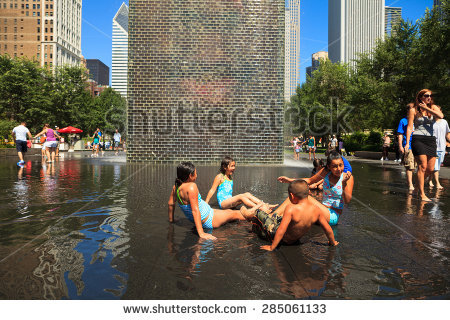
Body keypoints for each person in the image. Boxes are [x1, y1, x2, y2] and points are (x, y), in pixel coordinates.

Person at [241, 180, 338, 251]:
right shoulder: (316, 210)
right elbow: (327, 229)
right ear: (308, 193)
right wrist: (332, 242)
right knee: (277, 217)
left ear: (291, 196)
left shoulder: (291, 209)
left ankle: (253, 225)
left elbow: (281, 230)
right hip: (294, 240)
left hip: (279, 238)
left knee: (259, 212)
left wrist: (272, 247)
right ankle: (264, 218)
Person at [168, 162, 246, 240]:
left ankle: (252, 213)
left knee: (229, 211)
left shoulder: (176, 187)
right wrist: (201, 233)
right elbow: (195, 210)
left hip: (208, 213)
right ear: (190, 176)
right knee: (236, 214)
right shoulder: (191, 187)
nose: (197, 175)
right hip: (209, 219)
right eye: (195, 173)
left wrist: (171, 220)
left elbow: (171, 203)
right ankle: (255, 216)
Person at [277, 151, 354, 227]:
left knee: (306, 198)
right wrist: (289, 180)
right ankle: (273, 216)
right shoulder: (326, 172)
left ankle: (272, 218)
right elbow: (309, 181)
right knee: (294, 197)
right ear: (328, 167)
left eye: (341, 165)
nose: (338, 169)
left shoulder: (347, 178)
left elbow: (347, 201)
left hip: (332, 216)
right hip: (321, 210)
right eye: (334, 166)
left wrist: (344, 183)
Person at [405, 89, 444, 202]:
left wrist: (426, 108)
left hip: (431, 140)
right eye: (426, 95)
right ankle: (422, 194)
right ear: (420, 97)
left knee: (430, 169)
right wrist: (407, 142)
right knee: (422, 166)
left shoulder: (433, 107)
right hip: (418, 139)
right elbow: (409, 127)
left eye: (430, 96)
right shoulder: (413, 110)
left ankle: (417, 187)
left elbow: (440, 116)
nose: (429, 98)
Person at [429, 105, 449, 189]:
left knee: (434, 166)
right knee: (436, 166)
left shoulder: (444, 122)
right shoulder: (429, 122)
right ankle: (437, 183)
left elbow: (447, 134)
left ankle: (430, 180)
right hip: (432, 147)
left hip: (442, 147)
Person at [397, 103, 416, 191]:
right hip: (408, 145)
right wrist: (401, 146)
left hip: (418, 145)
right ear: (408, 110)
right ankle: (410, 184)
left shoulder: (417, 120)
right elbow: (400, 134)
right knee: (409, 166)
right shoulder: (403, 121)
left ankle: (410, 181)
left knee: (415, 166)